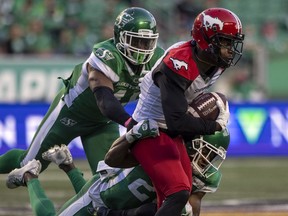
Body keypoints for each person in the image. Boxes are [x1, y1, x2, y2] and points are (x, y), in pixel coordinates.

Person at [1, 7, 165, 188]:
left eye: (146, 42)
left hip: (103, 122)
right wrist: (131, 124)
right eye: (136, 41)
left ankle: (78, 188)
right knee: (28, 166)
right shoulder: (106, 55)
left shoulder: (158, 59)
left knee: (109, 182)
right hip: (70, 115)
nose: (141, 48)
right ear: (120, 37)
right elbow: (105, 102)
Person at [110, 7, 244, 216]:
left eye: (232, 42)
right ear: (207, 40)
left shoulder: (215, 63)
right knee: (178, 192)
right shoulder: (178, 63)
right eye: (225, 41)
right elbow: (177, 122)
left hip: (169, 131)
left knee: (181, 195)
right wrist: (214, 126)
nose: (230, 49)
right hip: (150, 129)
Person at [6, 119, 230, 216]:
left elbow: (189, 206)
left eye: (213, 157)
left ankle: (68, 166)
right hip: (101, 195)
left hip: (121, 205)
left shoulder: (205, 177)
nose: (206, 162)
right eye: (206, 153)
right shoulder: (163, 150)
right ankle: (29, 175)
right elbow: (112, 159)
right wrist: (131, 137)